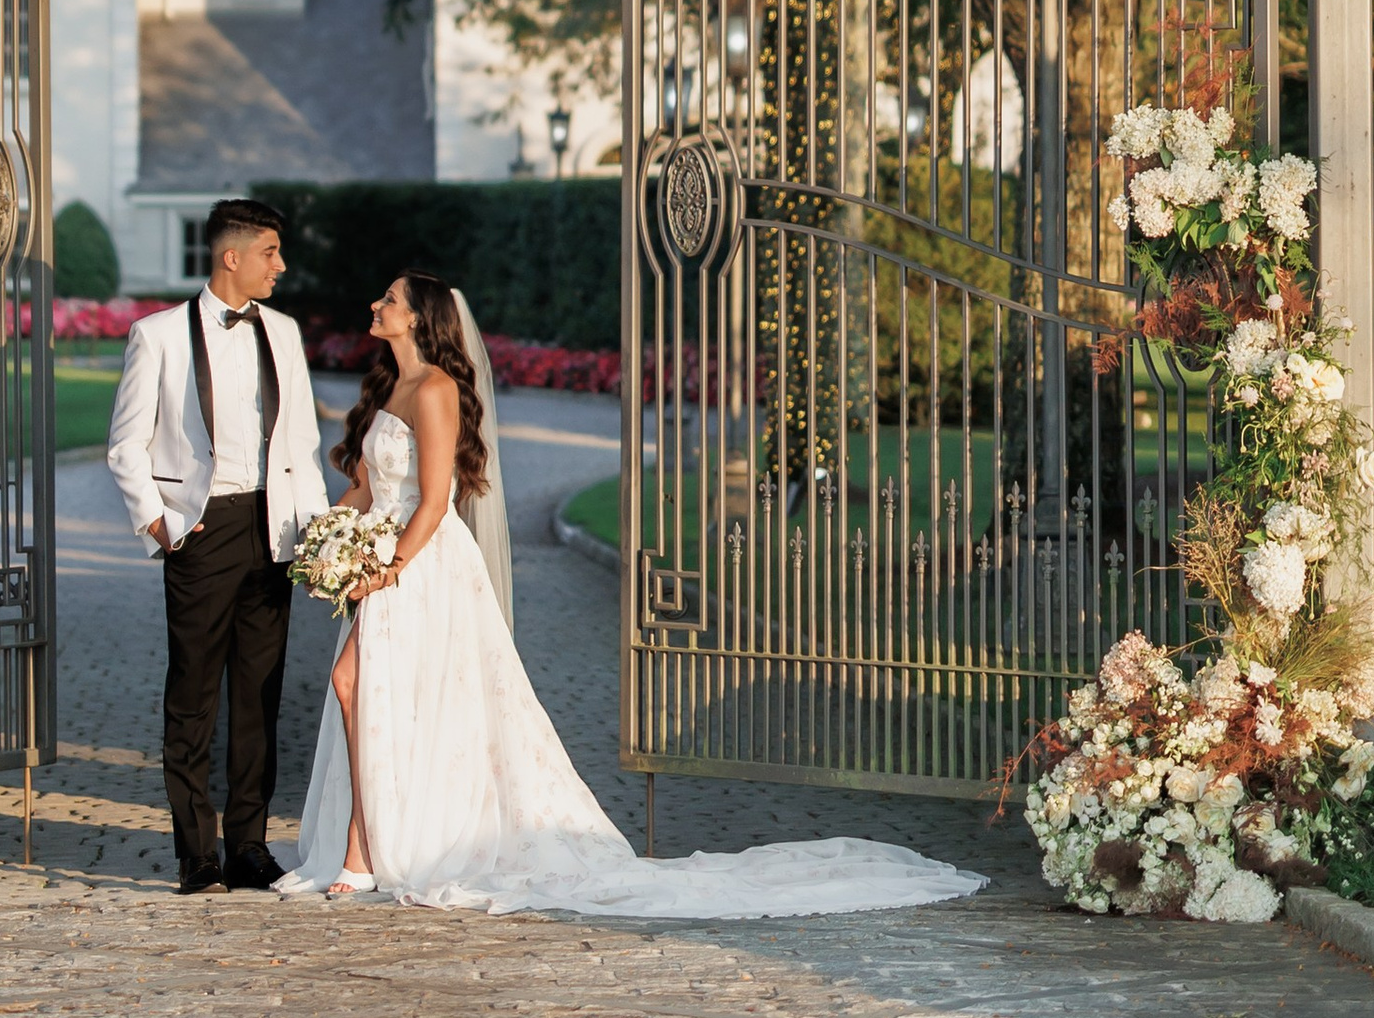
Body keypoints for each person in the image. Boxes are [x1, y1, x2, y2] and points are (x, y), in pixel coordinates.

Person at [280, 273, 985, 919]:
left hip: (422, 564)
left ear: (419, 318)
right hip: (381, 557)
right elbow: (367, 488)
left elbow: (435, 501)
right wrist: (328, 542)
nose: (376, 304)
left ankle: (367, 849)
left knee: (360, 684)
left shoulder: (435, 389)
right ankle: (371, 842)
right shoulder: (387, 385)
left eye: (390, 299)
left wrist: (387, 567)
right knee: (366, 690)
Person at [106, 197, 330, 893]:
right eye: (270, 252)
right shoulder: (157, 336)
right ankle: (196, 854)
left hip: (273, 529)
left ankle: (249, 848)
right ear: (232, 256)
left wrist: (315, 533)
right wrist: (161, 524)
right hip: (200, 531)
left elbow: (303, 444)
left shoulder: (284, 332)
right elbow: (125, 446)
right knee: (194, 695)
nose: (280, 265)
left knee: (259, 695)